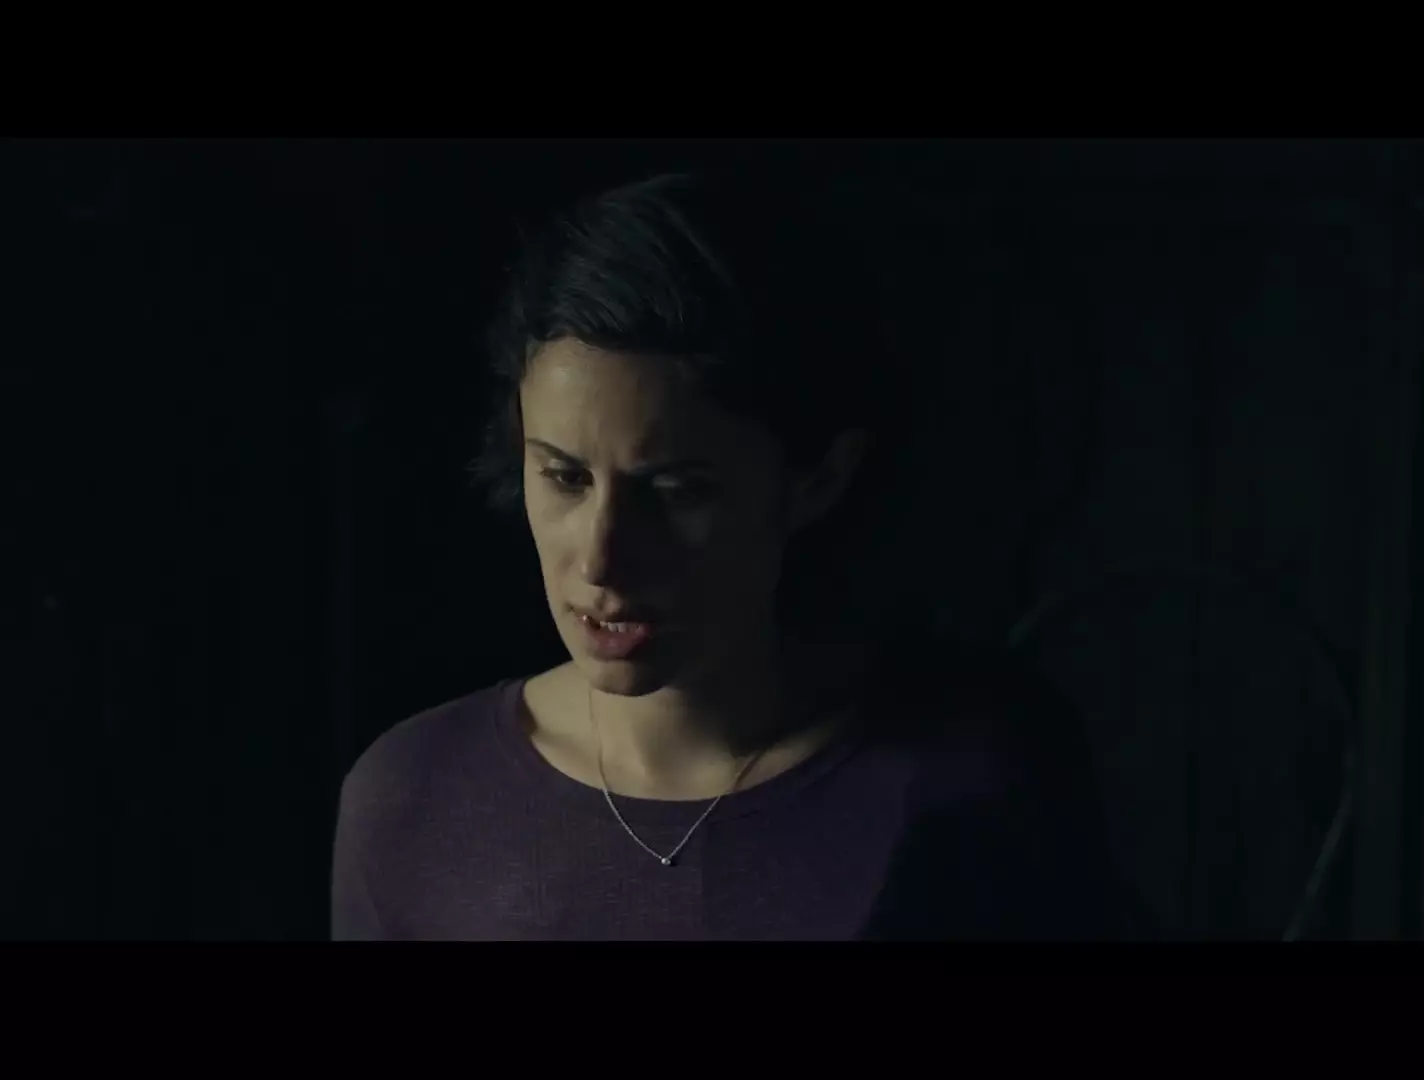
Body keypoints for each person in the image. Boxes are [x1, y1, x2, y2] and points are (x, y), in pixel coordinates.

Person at [329, 169, 1124, 941]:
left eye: (675, 492)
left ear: (818, 479)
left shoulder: (977, 773)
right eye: (566, 478)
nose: (602, 560)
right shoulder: (415, 797)